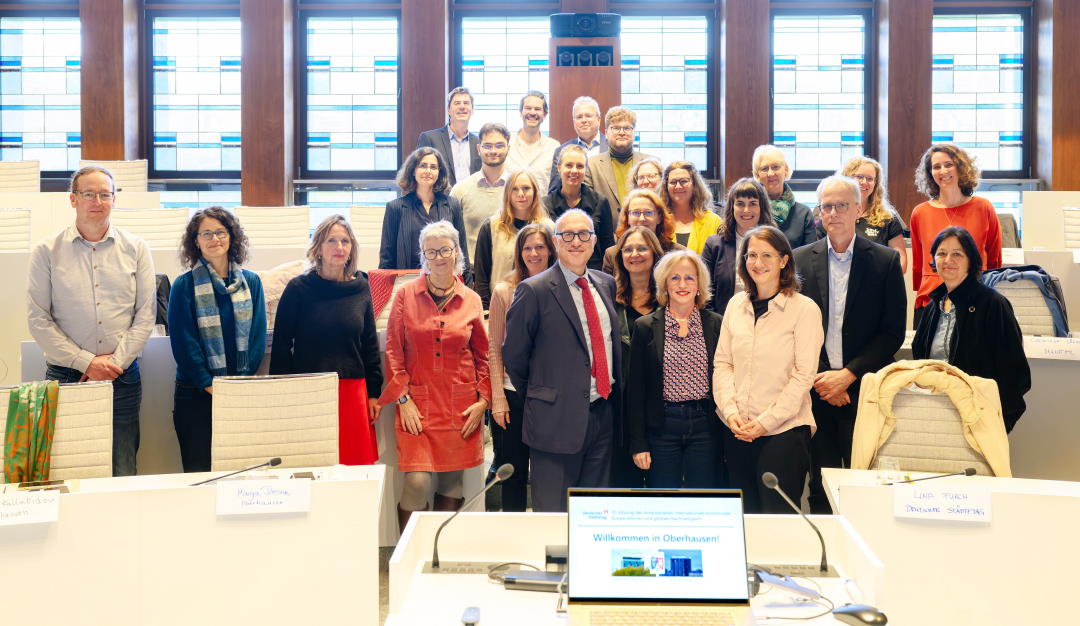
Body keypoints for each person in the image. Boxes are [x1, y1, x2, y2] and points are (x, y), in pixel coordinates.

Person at [27, 165, 156, 477]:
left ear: (114, 199)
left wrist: (114, 363)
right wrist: (87, 362)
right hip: (66, 374)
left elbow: (145, 314)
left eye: (105, 194)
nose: (97, 201)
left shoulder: (136, 248)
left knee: (123, 464)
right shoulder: (46, 251)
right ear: (73, 199)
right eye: (88, 194)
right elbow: (38, 318)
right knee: (68, 466)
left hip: (122, 376)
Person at [793, 176, 906, 514]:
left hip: (864, 390)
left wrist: (848, 375)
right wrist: (827, 378)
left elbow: (892, 332)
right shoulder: (799, 260)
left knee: (865, 487)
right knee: (820, 486)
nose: (834, 212)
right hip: (817, 389)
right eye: (827, 206)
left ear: (858, 209)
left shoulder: (885, 262)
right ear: (819, 213)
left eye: (842, 205)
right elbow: (795, 332)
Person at [503, 209, 621, 513]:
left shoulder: (605, 284)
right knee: (552, 516)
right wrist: (545, 393)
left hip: (602, 415)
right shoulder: (534, 290)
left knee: (595, 514)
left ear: (594, 241)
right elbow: (514, 356)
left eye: (584, 234)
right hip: (554, 421)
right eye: (567, 235)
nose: (576, 241)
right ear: (556, 241)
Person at [378, 221, 490, 529]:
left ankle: (436, 553)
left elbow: (483, 356)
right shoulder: (405, 296)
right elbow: (393, 352)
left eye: (445, 249)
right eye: (431, 251)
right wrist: (402, 399)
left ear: (457, 252)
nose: (439, 257)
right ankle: (409, 553)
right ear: (424, 256)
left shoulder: (471, 299)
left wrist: (483, 401)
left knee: (452, 482)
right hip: (417, 405)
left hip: (460, 406)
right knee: (416, 482)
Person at [713, 226, 823, 513]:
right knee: (742, 520)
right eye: (751, 255)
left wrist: (765, 423)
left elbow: (803, 376)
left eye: (766, 255)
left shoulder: (804, 309)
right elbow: (723, 363)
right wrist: (731, 413)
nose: (757, 263)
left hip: (783, 433)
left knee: (777, 522)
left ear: (784, 260)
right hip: (736, 430)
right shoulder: (736, 305)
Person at [270, 215, 383, 465]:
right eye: (331, 240)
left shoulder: (362, 286)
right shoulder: (298, 288)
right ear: (318, 247)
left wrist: (374, 393)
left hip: (353, 391)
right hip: (309, 391)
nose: (339, 247)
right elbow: (281, 347)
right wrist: (283, 393)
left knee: (355, 469)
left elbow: (370, 345)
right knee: (312, 467)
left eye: (345, 241)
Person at [169, 207, 267, 472]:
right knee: (200, 472)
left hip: (239, 392)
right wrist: (208, 383)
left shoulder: (252, 282)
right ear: (196, 241)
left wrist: (238, 383)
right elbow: (183, 342)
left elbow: (258, 337)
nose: (215, 239)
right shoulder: (184, 285)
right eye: (206, 234)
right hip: (195, 395)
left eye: (221, 232)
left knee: (240, 472)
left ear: (232, 237)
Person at [912, 226, 1029, 432]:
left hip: (979, 418)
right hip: (935, 413)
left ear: (971, 260)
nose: (948, 260)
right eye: (941, 253)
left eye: (957, 254)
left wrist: (1001, 422)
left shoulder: (993, 304)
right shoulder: (932, 306)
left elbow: (1015, 372)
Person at [627, 250, 723, 488]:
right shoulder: (645, 326)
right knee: (662, 500)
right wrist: (638, 443)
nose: (682, 284)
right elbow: (635, 391)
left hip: (705, 426)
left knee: (703, 500)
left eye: (690, 278)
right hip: (662, 428)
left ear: (699, 284)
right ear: (664, 284)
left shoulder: (716, 324)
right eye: (675, 278)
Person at [487, 223, 556, 511]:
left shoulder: (561, 289)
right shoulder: (504, 291)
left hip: (548, 396)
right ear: (519, 253)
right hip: (511, 394)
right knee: (512, 473)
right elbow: (494, 348)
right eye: (527, 248)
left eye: (540, 247)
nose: (533, 253)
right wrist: (499, 400)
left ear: (551, 251)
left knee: (546, 475)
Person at [910, 143, 1002, 319]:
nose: (943, 171)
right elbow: (919, 262)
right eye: (936, 167)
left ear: (960, 167)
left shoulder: (984, 207)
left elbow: (994, 258)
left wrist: (991, 292)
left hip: (975, 297)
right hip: (931, 298)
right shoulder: (920, 212)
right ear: (930, 174)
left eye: (948, 164)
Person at [610, 226, 665, 487]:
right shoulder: (608, 297)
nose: (635, 254)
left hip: (659, 408)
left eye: (642, 248)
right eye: (628, 249)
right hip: (619, 409)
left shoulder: (669, 300)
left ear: (655, 254)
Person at [379, 147, 470, 277]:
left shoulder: (452, 205)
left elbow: (462, 254)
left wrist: (467, 292)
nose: (428, 171)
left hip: (446, 283)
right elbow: (386, 260)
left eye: (433, 167)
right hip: (408, 284)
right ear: (413, 171)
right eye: (423, 166)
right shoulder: (395, 208)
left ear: (439, 172)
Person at [473, 169, 552, 308]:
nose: (520, 194)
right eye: (514, 189)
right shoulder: (490, 227)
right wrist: (486, 310)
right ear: (507, 193)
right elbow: (481, 277)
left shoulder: (548, 228)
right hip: (501, 305)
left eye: (526, 188)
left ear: (535, 191)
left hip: (542, 305)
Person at [815, 157, 908, 273]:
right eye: (859, 177)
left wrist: (884, 278)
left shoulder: (888, 218)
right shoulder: (830, 216)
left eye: (870, 179)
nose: (864, 182)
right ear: (846, 178)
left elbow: (901, 260)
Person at [702, 178, 776, 315]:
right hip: (723, 325)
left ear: (762, 207)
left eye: (753, 203)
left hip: (766, 323)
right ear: (732, 207)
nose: (746, 210)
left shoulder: (775, 244)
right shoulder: (714, 245)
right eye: (740, 204)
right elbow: (704, 293)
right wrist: (716, 326)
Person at [542, 144, 614, 271]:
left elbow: (607, 248)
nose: (574, 171)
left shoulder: (600, 202)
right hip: (556, 275)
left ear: (586, 170)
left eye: (580, 166)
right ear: (558, 168)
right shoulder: (545, 205)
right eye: (569, 165)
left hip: (593, 274)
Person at [450, 122, 512, 261]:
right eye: (487, 146)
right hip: (471, 274)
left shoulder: (518, 189)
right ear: (478, 149)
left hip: (510, 273)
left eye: (500, 145)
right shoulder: (460, 190)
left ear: (508, 148)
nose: (493, 151)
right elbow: (450, 236)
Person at [584, 105, 656, 221]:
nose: (622, 132)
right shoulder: (591, 165)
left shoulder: (651, 163)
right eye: (616, 128)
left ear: (634, 132)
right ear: (606, 132)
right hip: (606, 236)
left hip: (645, 234)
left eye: (627, 128)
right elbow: (589, 208)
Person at [601, 188, 682, 274]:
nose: (642, 219)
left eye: (648, 213)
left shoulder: (677, 253)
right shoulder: (612, 254)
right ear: (627, 217)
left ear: (659, 217)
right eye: (636, 213)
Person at [752, 144, 817, 248]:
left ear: (785, 170)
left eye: (775, 167)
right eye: (764, 169)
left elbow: (811, 256)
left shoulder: (804, 214)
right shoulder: (751, 211)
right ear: (757, 174)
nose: (770, 173)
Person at [417, 86, 480, 186]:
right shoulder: (429, 139)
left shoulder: (479, 142)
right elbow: (420, 174)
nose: (462, 106)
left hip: (471, 200)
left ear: (472, 110)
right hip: (440, 200)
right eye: (457, 103)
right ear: (448, 110)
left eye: (466, 103)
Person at [548, 96, 608, 192]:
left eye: (588, 116)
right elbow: (554, 192)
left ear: (599, 119)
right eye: (579, 117)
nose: (584, 120)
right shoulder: (561, 151)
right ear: (574, 121)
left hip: (605, 206)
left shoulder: (612, 147)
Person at [661, 160, 721, 255]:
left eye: (684, 181)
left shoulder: (713, 221)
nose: (678, 186)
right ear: (666, 186)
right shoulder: (659, 221)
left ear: (694, 184)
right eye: (673, 182)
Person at [505, 90, 561, 192]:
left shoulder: (554, 147)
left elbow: (557, 184)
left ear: (544, 114)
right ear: (521, 112)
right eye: (528, 108)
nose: (532, 112)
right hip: (510, 206)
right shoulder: (506, 143)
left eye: (537, 109)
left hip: (542, 206)